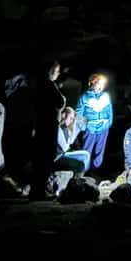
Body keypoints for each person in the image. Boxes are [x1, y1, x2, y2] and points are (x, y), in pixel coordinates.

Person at [30, 60, 66, 200]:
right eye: (57, 71)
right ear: (51, 71)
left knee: (39, 159)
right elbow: (60, 102)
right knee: (45, 158)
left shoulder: (38, 85)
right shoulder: (49, 85)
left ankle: (35, 191)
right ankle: (39, 192)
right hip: (48, 126)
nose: (58, 73)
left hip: (41, 125)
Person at [76, 73, 113, 175]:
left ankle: (96, 170)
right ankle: (84, 170)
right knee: (87, 150)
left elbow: (109, 110)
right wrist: (83, 127)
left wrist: (108, 123)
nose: (101, 86)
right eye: (99, 83)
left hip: (103, 128)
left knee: (100, 150)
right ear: (93, 83)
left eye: (102, 84)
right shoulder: (84, 97)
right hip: (90, 128)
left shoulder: (106, 96)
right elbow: (79, 113)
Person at [54, 106, 90, 175]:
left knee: (86, 154)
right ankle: (78, 176)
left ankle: (81, 175)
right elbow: (65, 148)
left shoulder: (66, 128)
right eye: (70, 118)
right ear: (64, 115)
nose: (71, 121)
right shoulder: (59, 128)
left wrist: (78, 128)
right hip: (57, 158)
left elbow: (71, 141)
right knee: (81, 163)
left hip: (63, 154)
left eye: (72, 119)